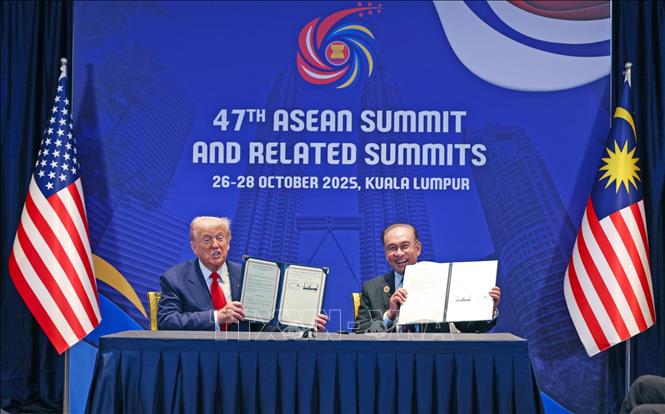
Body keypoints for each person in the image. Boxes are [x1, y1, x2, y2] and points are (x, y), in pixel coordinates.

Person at [158, 216, 328, 331]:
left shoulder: (248, 275)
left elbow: (265, 325)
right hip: (198, 359)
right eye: (207, 240)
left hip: (245, 360)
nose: (215, 245)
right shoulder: (174, 278)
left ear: (228, 244)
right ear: (194, 247)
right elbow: (166, 321)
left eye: (220, 238)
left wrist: (304, 327)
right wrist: (216, 317)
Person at [354, 223, 501, 333]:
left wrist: (489, 308)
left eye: (405, 246)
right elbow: (359, 332)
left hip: (435, 358)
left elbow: (468, 327)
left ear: (418, 248)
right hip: (391, 359)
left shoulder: (443, 279)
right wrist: (390, 315)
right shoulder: (372, 288)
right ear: (386, 253)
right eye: (392, 248)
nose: (398, 253)